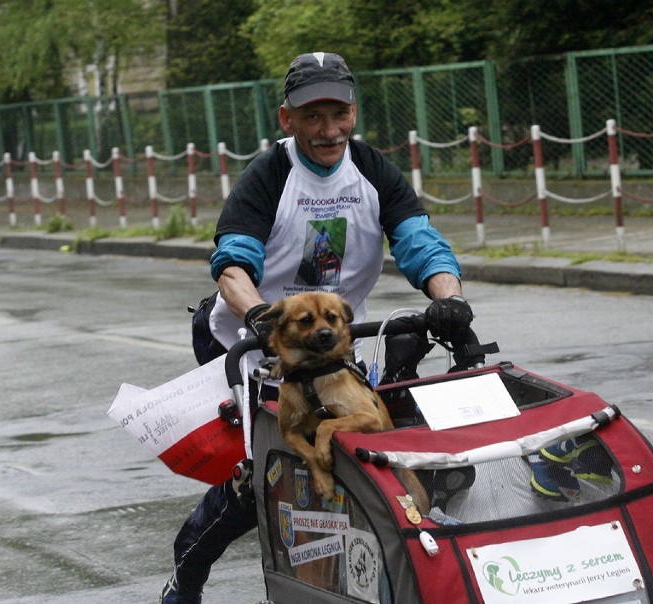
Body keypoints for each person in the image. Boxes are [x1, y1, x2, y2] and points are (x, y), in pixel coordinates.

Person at [161, 51, 474, 604]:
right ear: (288, 119)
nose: (329, 130)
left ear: (353, 112)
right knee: (264, 473)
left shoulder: (373, 170)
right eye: (313, 117)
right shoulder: (270, 175)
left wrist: (450, 299)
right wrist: (259, 314)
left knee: (365, 448)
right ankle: (185, 580)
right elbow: (233, 262)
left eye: (339, 114)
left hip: (327, 344)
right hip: (247, 337)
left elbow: (422, 243)